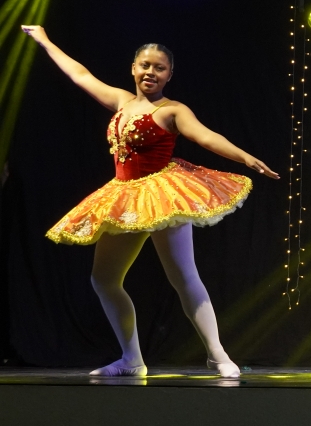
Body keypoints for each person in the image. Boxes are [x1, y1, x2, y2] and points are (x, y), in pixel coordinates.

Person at [22, 25, 278, 378]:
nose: (150, 72)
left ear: (169, 74)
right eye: (145, 65)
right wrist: (45, 41)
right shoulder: (121, 101)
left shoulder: (173, 110)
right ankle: (132, 359)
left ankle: (217, 355)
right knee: (104, 279)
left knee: (183, 276)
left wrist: (244, 157)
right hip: (124, 195)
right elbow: (80, 75)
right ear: (133, 68)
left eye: (159, 68)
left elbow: (205, 137)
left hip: (162, 194)